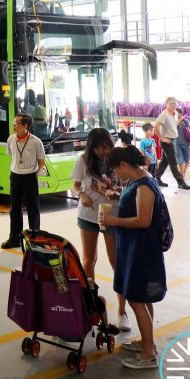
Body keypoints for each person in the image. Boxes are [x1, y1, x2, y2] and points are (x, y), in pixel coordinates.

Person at [98, 145, 167, 369]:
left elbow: (143, 220)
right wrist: (118, 193)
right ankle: (147, 341)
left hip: (141, 249)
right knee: (142, 298)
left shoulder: (144, 186)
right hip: (134, 247)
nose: (115, 175)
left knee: (137, 299)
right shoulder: (138, 181)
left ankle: (148, 354)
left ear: (124, 165)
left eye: (116, 171)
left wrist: (113, 221)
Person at [71, 128, 130, 332]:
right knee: (88, 261)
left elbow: (128, 185)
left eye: (105, 146)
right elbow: (75, 186)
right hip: (87, 215)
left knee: (116, 263)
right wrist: (82, 196)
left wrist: (117, 192)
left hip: (111, 215)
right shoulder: (83, 160)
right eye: (97, 148)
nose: (101, 151)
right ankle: (91, 306)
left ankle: (122, 311)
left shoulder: (118, 159)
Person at [0, 113, 46, 250]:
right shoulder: (10, 140)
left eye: (17, 123)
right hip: (15, 177)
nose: (14, 124)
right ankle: (14, 238)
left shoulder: (36, 142)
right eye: (14, 122)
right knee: (15, 210)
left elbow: (41, 163)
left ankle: (34, 240)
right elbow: (12, 156)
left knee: (33, 210)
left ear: (25, 126)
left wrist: (34, 175)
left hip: (30, 177)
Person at [152, 97, 190, 190]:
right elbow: (156, 126)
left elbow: (174, 125)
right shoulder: (163, 114)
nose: (173, 105)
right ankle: (180, 182)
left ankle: (156, 179)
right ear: (166, 104)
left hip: (173, 140)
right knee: (173, 163)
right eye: (171, 103)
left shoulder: (175, 113)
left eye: (175, 103)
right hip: (167, 141)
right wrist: (161, 138)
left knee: (165, 162)